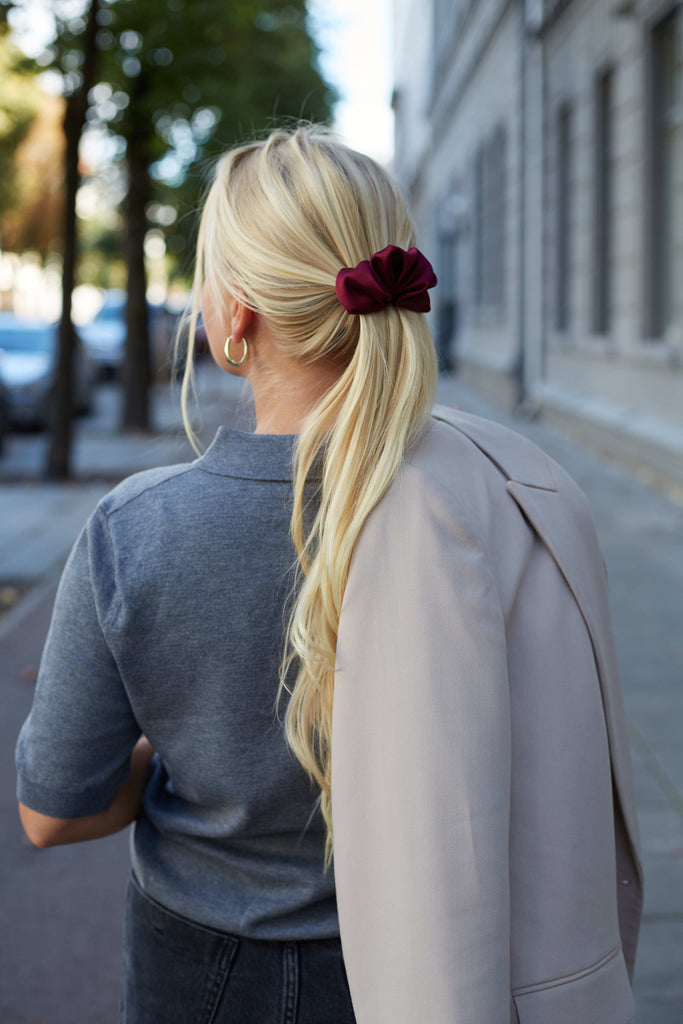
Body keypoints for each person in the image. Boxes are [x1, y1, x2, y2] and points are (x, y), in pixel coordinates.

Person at [16, 125, 642, 1023]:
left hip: (203, 971)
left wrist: (179, 746)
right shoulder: (504, 488)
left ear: (235, 315)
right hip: (457, 967)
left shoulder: (138, 528)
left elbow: (53, 812)